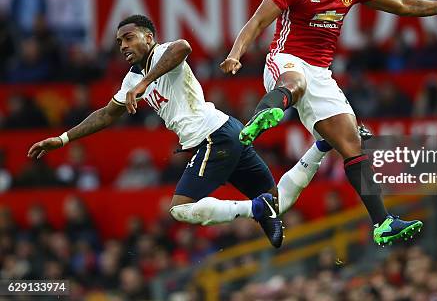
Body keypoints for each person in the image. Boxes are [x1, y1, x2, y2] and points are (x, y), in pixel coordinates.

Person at [220, 0, 437, 246]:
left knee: (352, 145)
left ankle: (382, 223)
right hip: (287, 59)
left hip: (321, 74)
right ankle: (261, 119)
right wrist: (236, 55)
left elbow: (404, 5)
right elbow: (258, 21)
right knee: (295, 82)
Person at [27, 14, 335, 248]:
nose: (122, 46)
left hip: (212, 137)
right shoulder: (131, 80)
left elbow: (183, 47)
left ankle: (256, 208)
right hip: (227, 132)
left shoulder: (162, 54)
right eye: (119, 42)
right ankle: (320, 147)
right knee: (279, 201)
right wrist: (64, 138)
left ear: (148, 38)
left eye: (129, 38)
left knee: (179, 210)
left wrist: (146, 83)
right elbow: (107, 114)